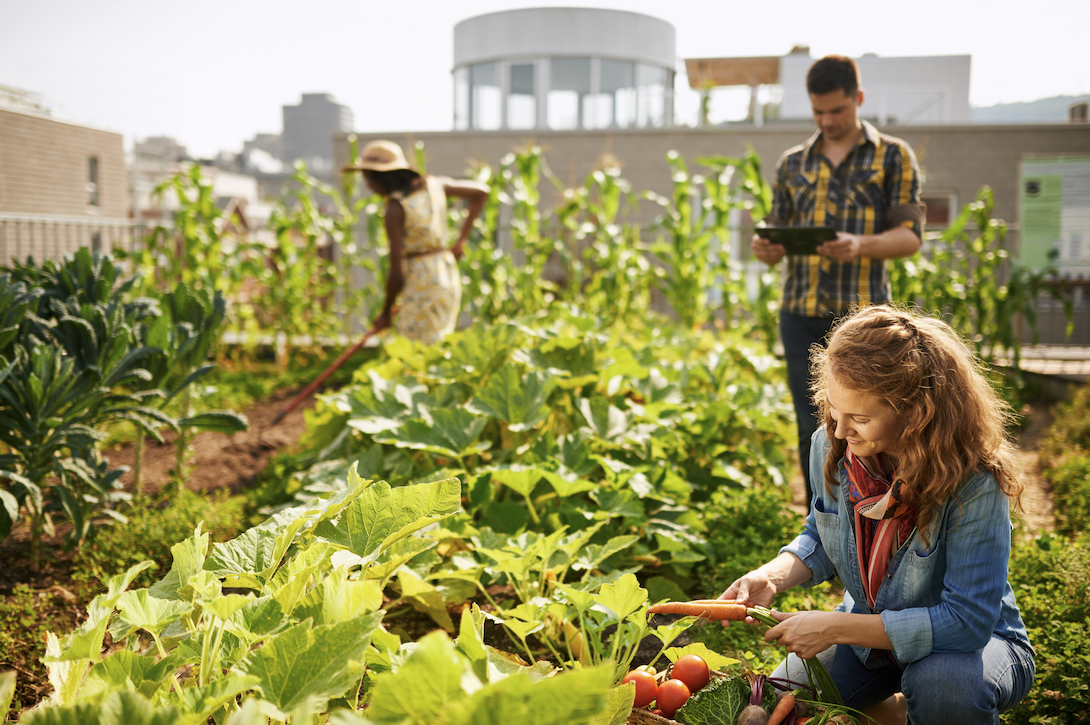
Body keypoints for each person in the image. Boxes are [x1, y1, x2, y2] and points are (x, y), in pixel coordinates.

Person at [720, 305, 1035, 725]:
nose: (838, 430)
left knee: (944, 687)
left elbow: (966, 623)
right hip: (869, 639)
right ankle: (894, 714)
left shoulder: (972, 482)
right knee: (774, 705)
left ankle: (923, 706)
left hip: (970, 648)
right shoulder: (830, 447)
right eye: (834, 408)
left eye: (860, 418)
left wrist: (834, 628)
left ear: (915, 412)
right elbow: (822, 535)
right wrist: (772, 576)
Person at [752, 55, 925, 506]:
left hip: (864, 319)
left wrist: (859, 245)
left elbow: (910, 237)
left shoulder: (892, 155)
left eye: (838, 111)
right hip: (799, 312)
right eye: (819, 112)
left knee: (871, 420)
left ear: (858, 99)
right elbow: (777, 230)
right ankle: (822, 522)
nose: (828, 120)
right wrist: (767, 249)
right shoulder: (792, 164)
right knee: (809, 421)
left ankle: (876, 510)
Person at [344, 140, 488, 345]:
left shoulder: (395, 208)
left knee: (415, 351)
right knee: (438, 344)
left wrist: (385, 312)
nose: (368, 185)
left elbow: (396, 275)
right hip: (445, 272)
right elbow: (482, 191)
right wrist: (459, 242)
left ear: (382, 177)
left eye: (368, 178)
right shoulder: (434, 185)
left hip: (422, 281)